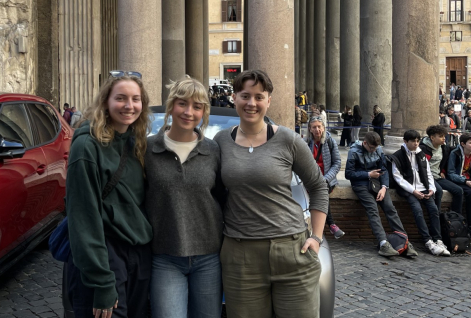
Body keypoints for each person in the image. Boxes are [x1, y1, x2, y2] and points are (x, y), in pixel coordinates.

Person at [214, 70, 328, 318]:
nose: (251, 103)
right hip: (240, 255)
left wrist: (317, 238)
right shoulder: (221, 141)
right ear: (234, 98)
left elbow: (318, 187)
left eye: (259, 96)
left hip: (292, 251)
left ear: (269, 100)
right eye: (245, 96)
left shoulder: (288, 139)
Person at [66, 73, 153, 318]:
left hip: (137, 255)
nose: (129, 105)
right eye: (121, 98)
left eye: (136, 99)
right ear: (105, 102)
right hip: (104, 256)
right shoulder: (87, 146)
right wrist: (102, 282)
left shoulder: (136, 143)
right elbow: (83, 218)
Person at [145, 77, 225, 318]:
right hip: (165, 257)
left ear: (204, 112)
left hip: (208, 258)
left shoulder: (212, 151)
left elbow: (224, 197)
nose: (189, 112)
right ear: (171, 106)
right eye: (182, 103)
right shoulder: (147, 149)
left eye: (197, 106)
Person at [345, 132, 417, 258]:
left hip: (378, 184)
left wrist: (384, 188)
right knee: (373, 210)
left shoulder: (378, 150)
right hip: (360, 185)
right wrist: (368, 174)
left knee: (390, 209)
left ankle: (404, 241)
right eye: (371, 148)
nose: (373, 151)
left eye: (375, 148)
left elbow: (383, 170)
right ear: (365, 143)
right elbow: (348, 174)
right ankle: (383, 243)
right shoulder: (354, 151)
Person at [390, 130, 450, 256]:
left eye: (418, 141)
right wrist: (413, 191)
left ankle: (438, 240)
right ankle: (428, 241)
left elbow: (428, 173)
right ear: (405, 141)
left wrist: (431, 189)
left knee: (434, 210)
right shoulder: (397, 156)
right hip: (409, 190)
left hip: (424, 188)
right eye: (413, 141)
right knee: (417, 210)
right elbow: (398, 178)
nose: (416, 144)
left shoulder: (421, 154)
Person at [306, 116, 345, 239]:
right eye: (314, 127)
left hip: (326, 179)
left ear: (323, 127)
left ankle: (318, 231)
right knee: (317, 191)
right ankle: (331, 224)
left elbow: (337, 163)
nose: (317, 129)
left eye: (319, 126)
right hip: (311, 179)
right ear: (310, 129)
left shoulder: (329, 141)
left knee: (320, 190)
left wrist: (326, 178)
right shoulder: (306, 143)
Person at [419, 125, 464, 214]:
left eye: (444, 136)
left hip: (437, 176)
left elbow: (444, 161)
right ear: (432, 137)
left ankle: (455, 218)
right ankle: (437, 216)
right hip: (427, 177)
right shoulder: (423, 148)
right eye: (440, 136)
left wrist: (442, 171)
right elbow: (421, 166)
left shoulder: (444, 148)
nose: (444, 138)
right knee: (438, 191)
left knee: (459, 190)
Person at [446, 132, 471, 232]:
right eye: (470, 143)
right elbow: (451, 173)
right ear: (463, 144)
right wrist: (465, 181)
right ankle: (467, 224)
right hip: (458, 180)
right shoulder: (455, 154)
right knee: (469, 193)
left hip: (468, 179)